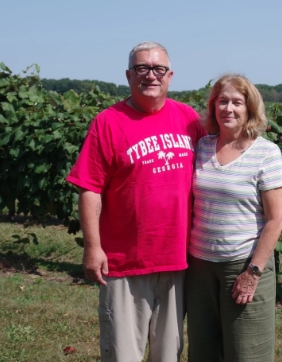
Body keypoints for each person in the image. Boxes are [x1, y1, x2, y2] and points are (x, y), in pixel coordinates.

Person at [67, 41, 205, 362]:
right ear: (128, 75)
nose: (150, 76)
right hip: (125, 263)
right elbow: (89, 189)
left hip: (177, 260)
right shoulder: (108, 122)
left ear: (170, 75)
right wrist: (92, 247)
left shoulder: (188, 119)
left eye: (158, 69)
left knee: (168, 353)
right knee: (122, 355)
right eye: (142, 68)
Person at [186, 74, 282, 362]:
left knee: (246, 354)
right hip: (200, 268)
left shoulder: (266, 152)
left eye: (236, 102)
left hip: (242, 265)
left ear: (250, 109)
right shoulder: (202, 147)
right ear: (213, 106)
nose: (228, 109)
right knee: (203, 353)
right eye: (222, 101)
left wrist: (252, 273)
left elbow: (276, 218)